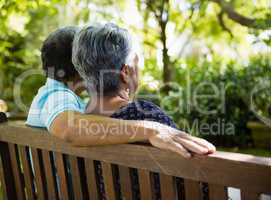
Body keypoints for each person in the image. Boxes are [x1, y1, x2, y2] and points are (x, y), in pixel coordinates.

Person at [26, 26, 215, 158]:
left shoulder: (66, 101)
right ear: (78, 69)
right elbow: (70, 127)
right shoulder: (58, 97)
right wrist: (152, 128)